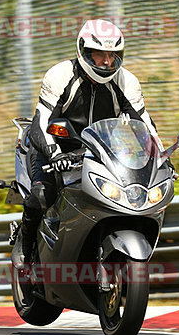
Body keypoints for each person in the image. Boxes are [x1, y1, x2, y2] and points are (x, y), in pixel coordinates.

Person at [16, 19, 167, 265]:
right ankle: (26, 242)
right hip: (55, 148)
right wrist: (55, 154)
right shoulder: (61, 75)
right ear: (84, 51)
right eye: (99, 54)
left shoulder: (127, 82)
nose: (107, 62)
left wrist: (160, 157)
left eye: (113, 55)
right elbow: (41, 123)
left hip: (102, 152)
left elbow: (146, 125)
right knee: (43, 194)